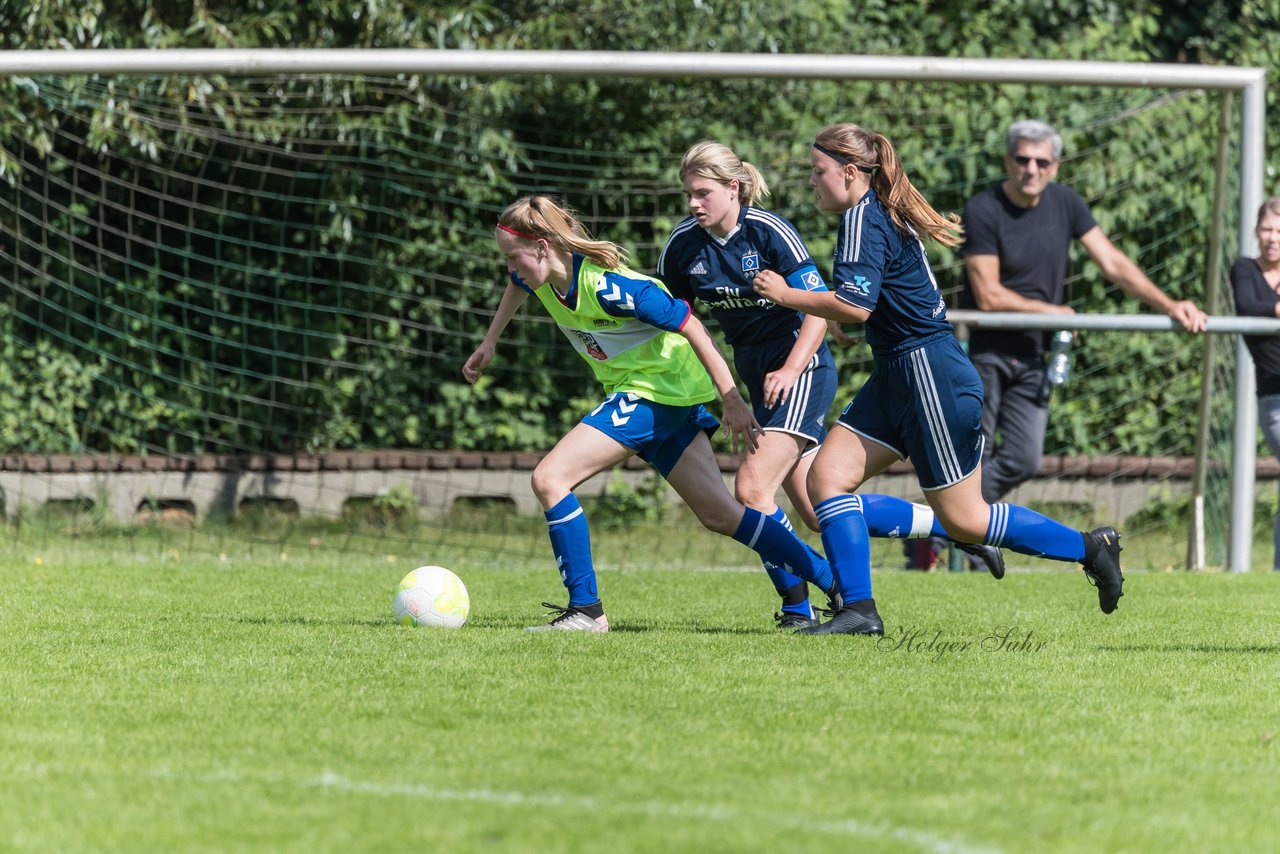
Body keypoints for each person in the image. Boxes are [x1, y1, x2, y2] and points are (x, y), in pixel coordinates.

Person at [752, 123, 1126, 635]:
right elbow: (869, 308)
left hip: (930, 373)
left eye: (818, 172)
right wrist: (846, 317)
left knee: (967, 520)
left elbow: (857, 307)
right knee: (827, 479)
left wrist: (787, 294)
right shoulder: (869, 214)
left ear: (849, 171)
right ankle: (859, 611)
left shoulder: (864, 218)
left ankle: (1091, 548)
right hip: (900, 371)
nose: (812, 182)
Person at [658, 141, 1003, 628]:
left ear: (733, 188)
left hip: (801, 370)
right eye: (688, 194)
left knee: (753, 488)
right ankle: (949, 530)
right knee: (823, 512)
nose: (693, 204)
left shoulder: (770, 231)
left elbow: (820, 307)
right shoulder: (682, 246)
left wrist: (792, 368)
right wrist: (731, 394)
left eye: (702, 192)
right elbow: (680, 321)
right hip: (760, 380)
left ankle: (800, 608)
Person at [462, 194, 838, 631]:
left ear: (543, 247)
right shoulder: (541, 276)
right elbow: (517, 287)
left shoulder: (610, 287)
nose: (510, 268)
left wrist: (732, 399)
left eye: (513, 257)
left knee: (550, 479)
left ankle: (586, 611)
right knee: (720, 514)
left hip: (656, 391)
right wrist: (491, 341)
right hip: (660, 397)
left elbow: (692, 325)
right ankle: (837, 583)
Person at [959, 118, 1208, 504]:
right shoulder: (983, 209)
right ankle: (956, 538)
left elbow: (1112, 262)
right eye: (1023, 159)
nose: (1032, 169)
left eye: (1042, 162)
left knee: (1023, 460)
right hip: (985, 352)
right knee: (975, 456)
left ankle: (938, 524)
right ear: (1008, 161)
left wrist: (1171, 305)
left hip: (1034, 354)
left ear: (1055, 166)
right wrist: (1054, 312)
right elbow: (988, 295)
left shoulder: (1067, 202)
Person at [1231, 196, 1280, 570]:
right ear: (1256, 232)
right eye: (1267, 229)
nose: (1273, 237)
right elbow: (1248, 306)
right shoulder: (1244, 269)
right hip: (1275, 396)